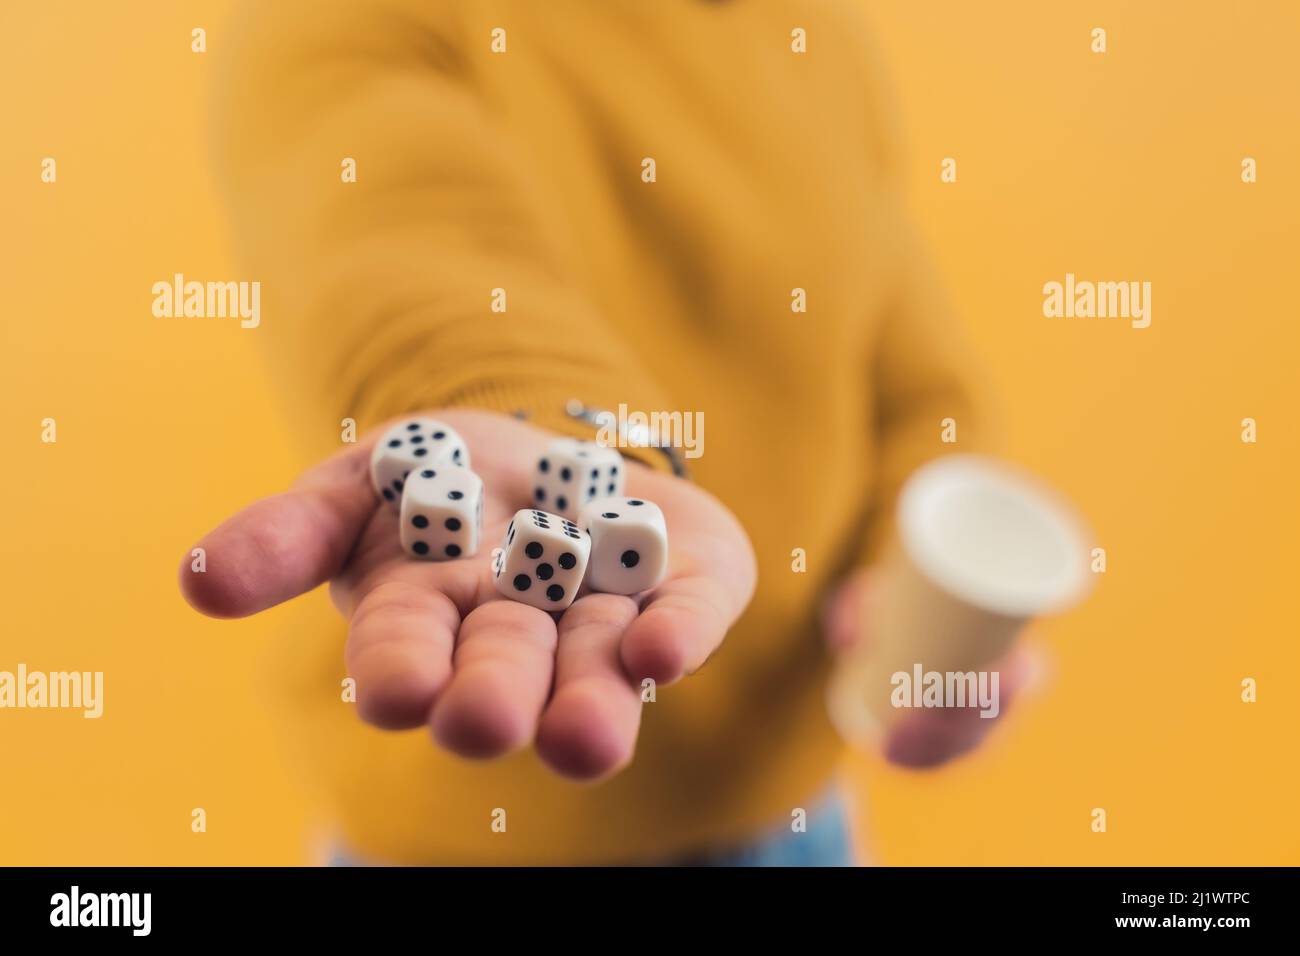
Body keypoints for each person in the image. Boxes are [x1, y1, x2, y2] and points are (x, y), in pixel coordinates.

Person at [182, 0, 1029, 866]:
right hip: (474, 827)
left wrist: (919, 593)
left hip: (793, 809)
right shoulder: (354, 21)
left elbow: (913, 378)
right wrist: (540, 421)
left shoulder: (817, 34)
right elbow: (407, 240)